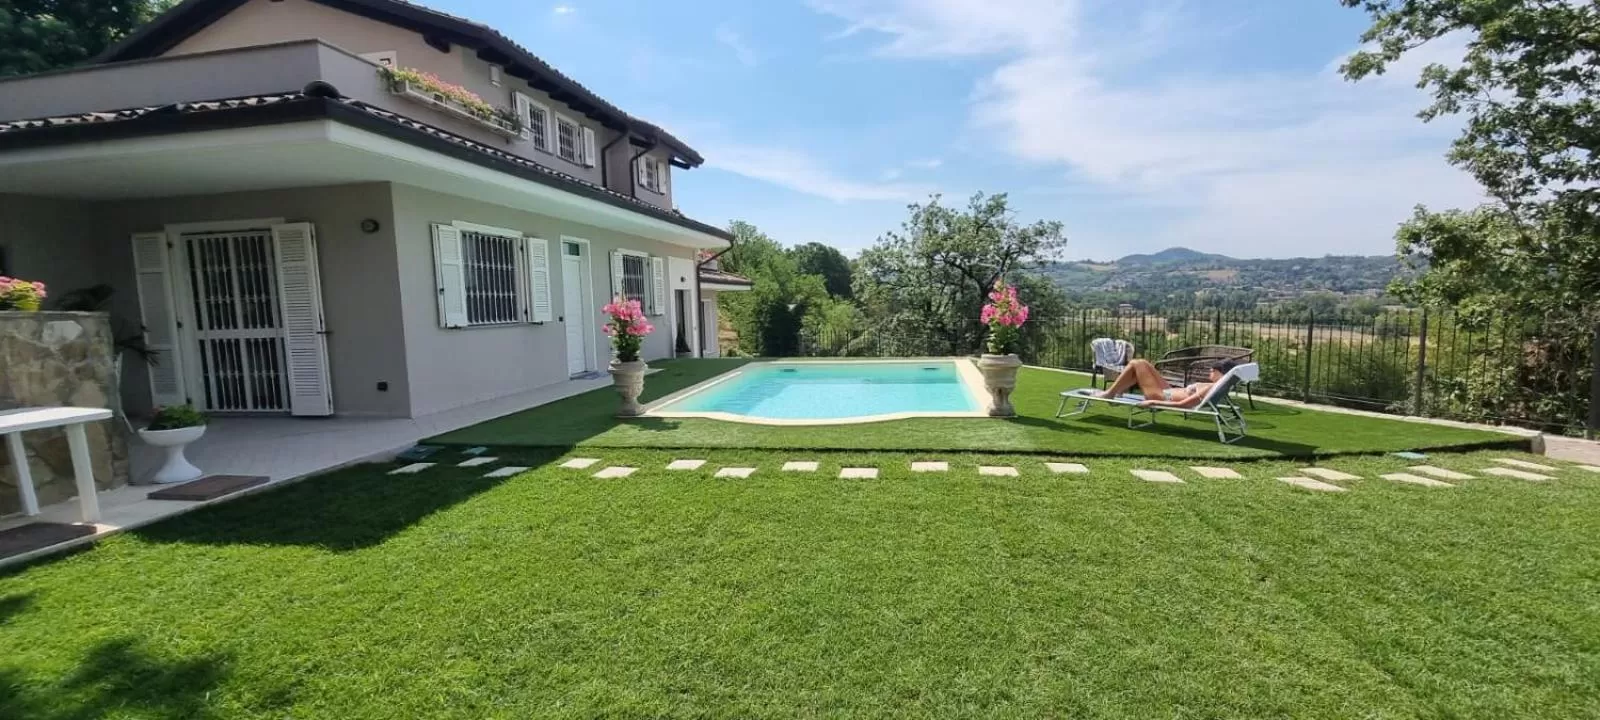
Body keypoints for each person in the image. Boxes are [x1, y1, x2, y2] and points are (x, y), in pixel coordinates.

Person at [1096, 358, 1237, 409]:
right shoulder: (1218, 386)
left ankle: (1110, 394)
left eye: (1212, 370)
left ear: (1221, 373)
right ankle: (1117, 391)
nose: (1209, 373)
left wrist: (1153, 403)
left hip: (1160, 396)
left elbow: (1183, 404)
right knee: (1143, 363)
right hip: (1168, 391)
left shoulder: (1211, 388)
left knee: (1135, 363)